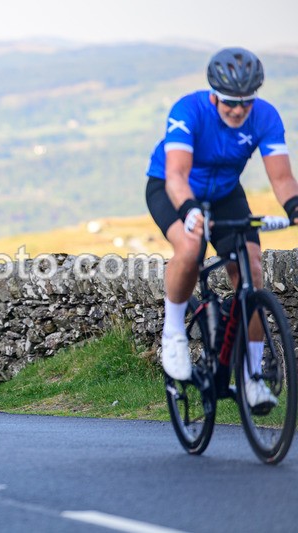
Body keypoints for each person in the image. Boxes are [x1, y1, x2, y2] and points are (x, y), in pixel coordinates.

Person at [146, 47, 298, 409]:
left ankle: (251, 378)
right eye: (230, 102)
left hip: (226, 194)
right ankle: (174, 333)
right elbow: (177, 175)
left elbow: (282, 178)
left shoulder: (265, 117)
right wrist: (189, 210)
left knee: (251, 270)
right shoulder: (188, 111)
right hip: (172, 188)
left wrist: (293, 205)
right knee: (189, 248)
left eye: (246, 103)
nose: (237, 110)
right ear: (214, 95)